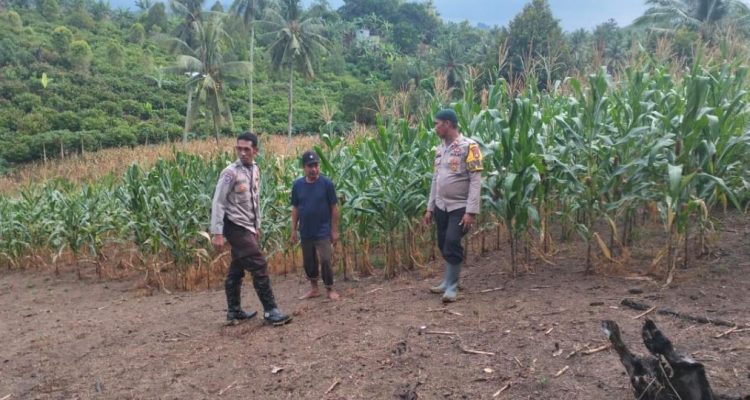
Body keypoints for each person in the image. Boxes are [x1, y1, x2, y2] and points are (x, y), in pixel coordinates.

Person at [210, 132, 292, 326]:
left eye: (247, 149)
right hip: (234, 225)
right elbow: (218, 202)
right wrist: (217, 233)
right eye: (239, 148)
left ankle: (234, 311)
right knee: (259, 264)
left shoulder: (255, 170)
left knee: (237, 267)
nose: (243, 153)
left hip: (248, 226)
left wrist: (257, 226)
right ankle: (271, 311)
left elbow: (255, 200)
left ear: (255, 150)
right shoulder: (230, 173)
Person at [423, 109, 483, 303]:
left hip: (459, 206)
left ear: (447, 124)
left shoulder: (469, 146)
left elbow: (475, 180)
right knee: (442, 243)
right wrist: (430, 207)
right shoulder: (440, 149)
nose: (435, 128)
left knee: (451, 242)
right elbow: (436, 179)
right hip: (441, 205)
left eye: (436, 124)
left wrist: (471, 211)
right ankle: (446, 281)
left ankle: (452, 286)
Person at [290, 150, 341, 301]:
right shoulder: (297, 185)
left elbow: (334, 208)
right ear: (303, 168)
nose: (314, 169)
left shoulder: (327, 184)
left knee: (325, 259)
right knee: (309, 261)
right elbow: (295, 208)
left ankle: (330, 288)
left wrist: (334, 230)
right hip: (306, 230)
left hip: (323, 230)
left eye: (316, 165)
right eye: (310, 166)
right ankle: (314, 288)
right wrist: (293, 230)